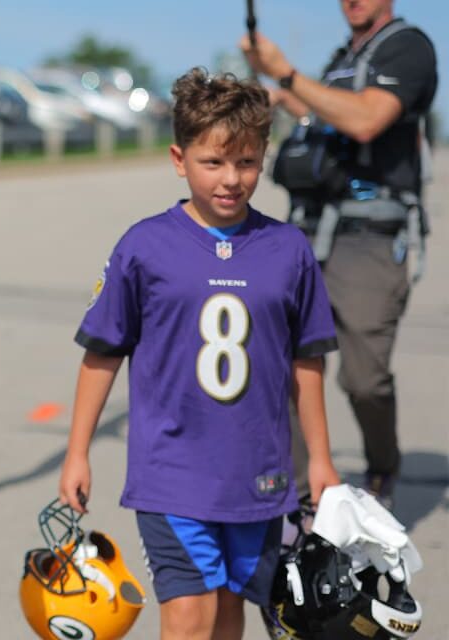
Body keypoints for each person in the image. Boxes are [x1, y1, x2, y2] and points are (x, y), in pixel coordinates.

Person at [57, 69, 342, 640]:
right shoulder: (144, 246)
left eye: (247, 163)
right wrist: (77, 451)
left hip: (258, 474)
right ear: (179, 158)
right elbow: (103, 353)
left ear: (264, 158)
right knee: (190, 613)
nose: (231, 179)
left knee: (232, 610)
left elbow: (307, 361)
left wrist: (320, 460)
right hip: (172, 471)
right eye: (213, 163)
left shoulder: (287, 249)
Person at [241, 0, 437, 510]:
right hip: (306, 230)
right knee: (283, 364)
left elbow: (368, 119)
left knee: (363, 378)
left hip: (370, 235)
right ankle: (303, 502)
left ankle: (382, 465)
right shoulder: (340, 59)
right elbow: (323, 110)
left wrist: (287, 72)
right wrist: (276, 93)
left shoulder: (408, 48)